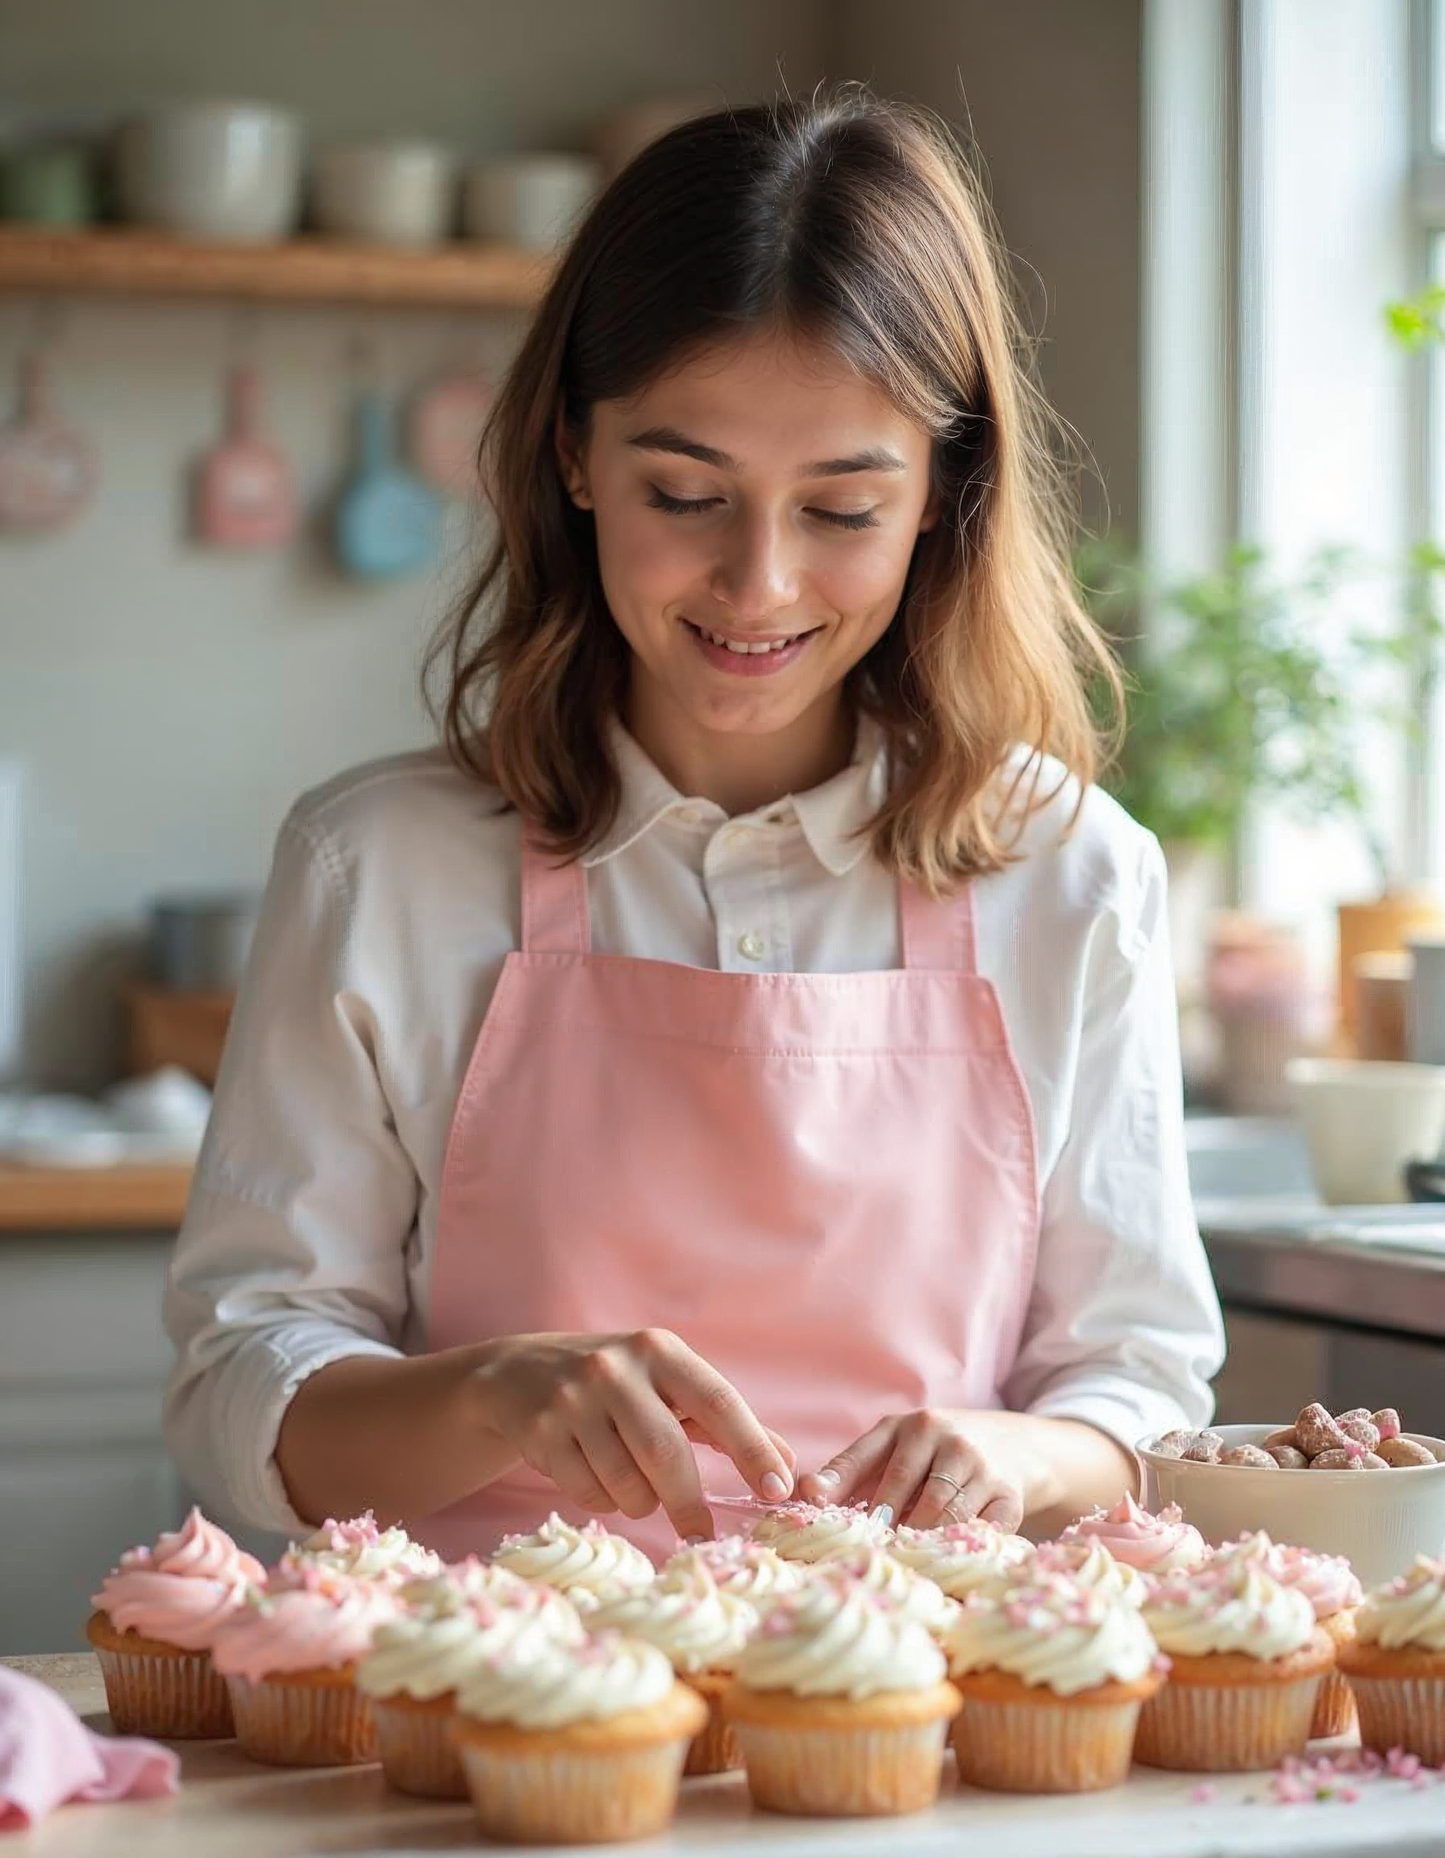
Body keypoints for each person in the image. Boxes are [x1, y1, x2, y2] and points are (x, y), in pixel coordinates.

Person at [164, 89, 1223, 1562]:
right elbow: (238, 1390)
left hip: (916, 1726)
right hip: (483, 1729)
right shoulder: (381, 867)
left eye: (844, 509)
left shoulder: (1072, 873)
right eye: (685, 491)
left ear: (941, 499)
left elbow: (1141, 1386)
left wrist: (1014, 1454)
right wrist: (488, 1396)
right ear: (572, 458)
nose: (758, 583)